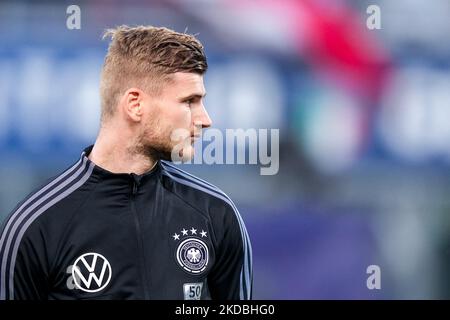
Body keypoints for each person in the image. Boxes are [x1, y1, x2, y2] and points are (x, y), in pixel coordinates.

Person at [0, 25, 252, 300]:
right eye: (189, 101)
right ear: (135, 105)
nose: (205, 119)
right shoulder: (36, 224)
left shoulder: (215, 213)